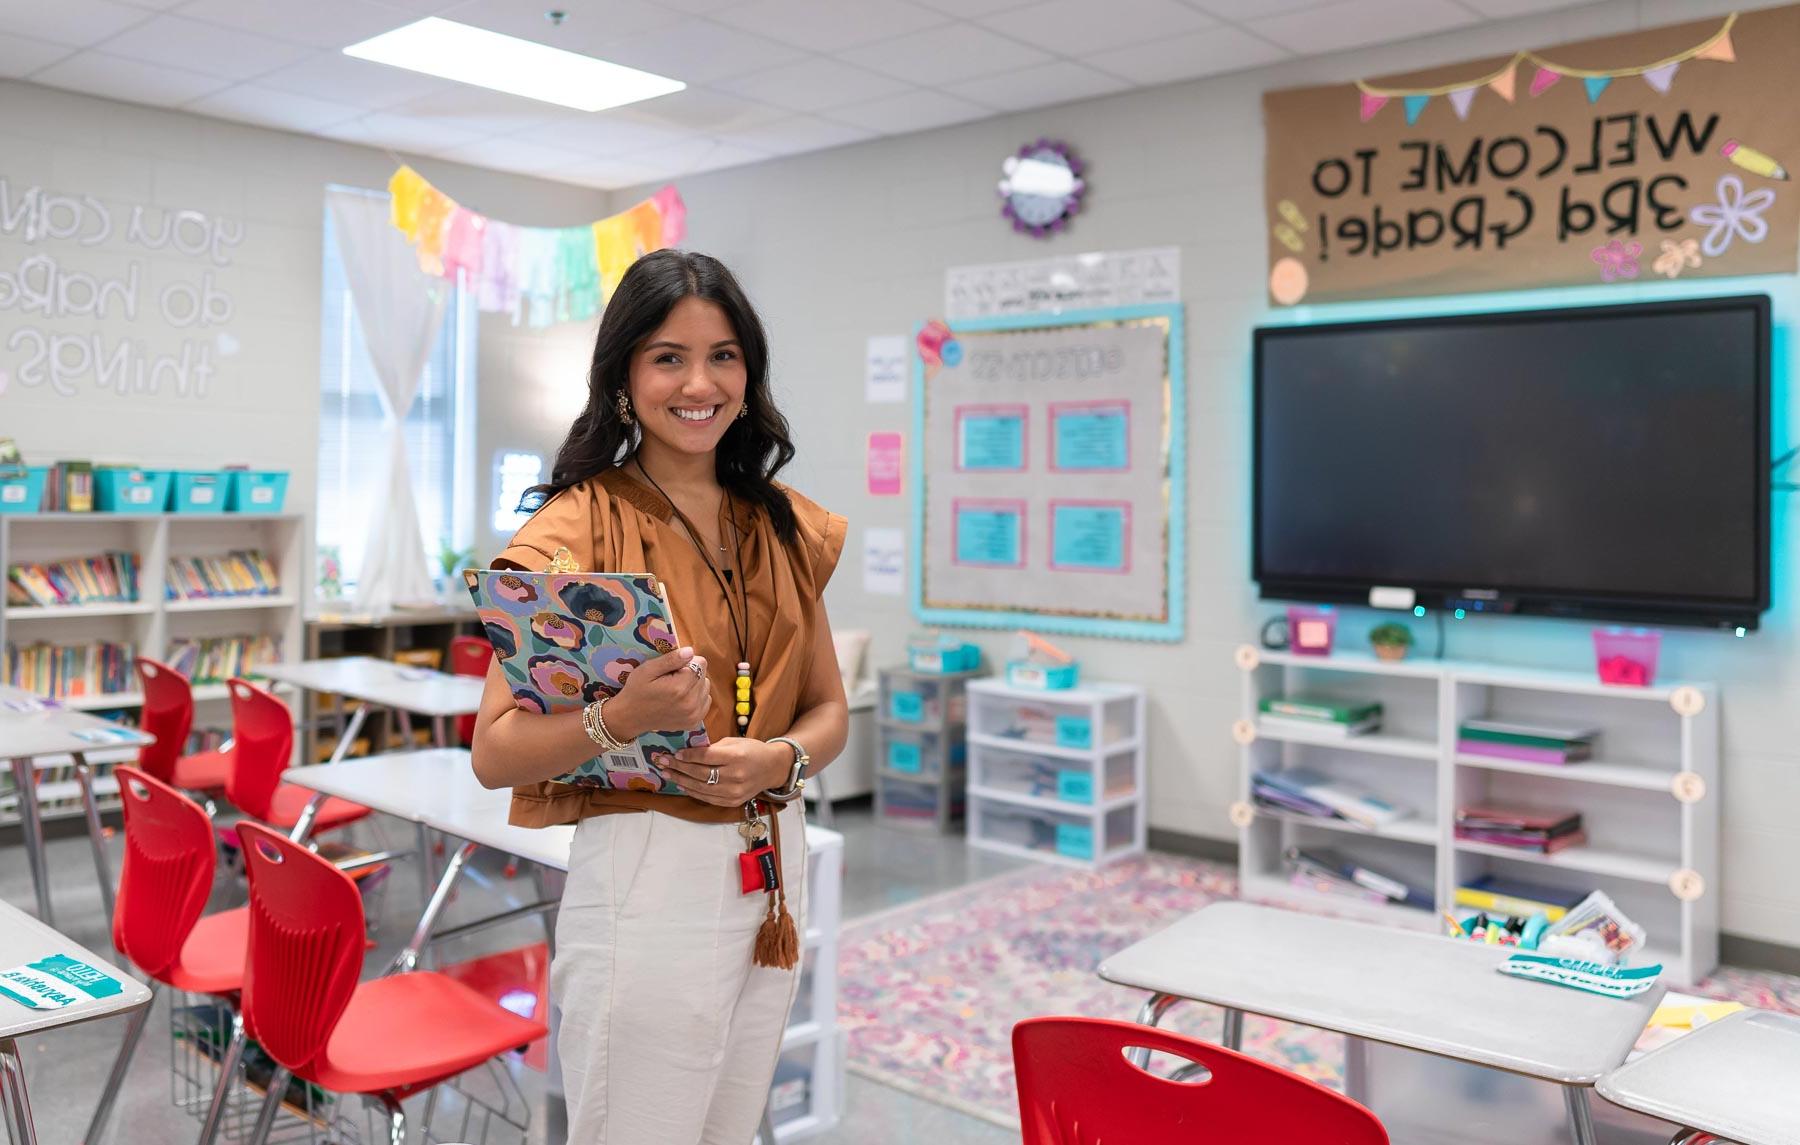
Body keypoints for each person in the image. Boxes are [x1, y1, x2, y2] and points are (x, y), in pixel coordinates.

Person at [470, 249, 849, 1144]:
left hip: (772, 865)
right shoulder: (576, 525)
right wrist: (619, 718)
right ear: (624, 375)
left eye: (723, 355)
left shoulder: (783, 523)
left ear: (748, 373)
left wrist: (778, 757)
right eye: (668, 357)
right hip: (648, 870)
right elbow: (493, 752)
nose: (699, 382)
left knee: (726, 1127)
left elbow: (828, 708)